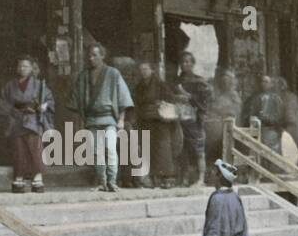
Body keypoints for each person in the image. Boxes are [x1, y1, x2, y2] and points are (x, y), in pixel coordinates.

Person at [70, 43, 133, 192]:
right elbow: (76, 99)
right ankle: (102, 182)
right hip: (92, 119)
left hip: (109, 119)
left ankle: (112, 181)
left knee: (110, 150)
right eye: (89, 55)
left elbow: (123, 97)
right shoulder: (84, 76)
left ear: (102, 56)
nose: (91, 58)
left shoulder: (113, 73)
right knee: (97, 152)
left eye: (95, 55)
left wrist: (121, 119)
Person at [0, 55, 54, 193]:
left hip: (33, 120)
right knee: (19, 151)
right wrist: (12, 111)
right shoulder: (10, 85)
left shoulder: (39, 84)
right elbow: (3, 103)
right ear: (17, 68)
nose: (22, 68)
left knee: (35, 150)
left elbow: (49, 100)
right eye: (20, 66)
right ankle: (19, 178)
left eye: (26, 66)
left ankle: (37, 178)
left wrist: (44, 106)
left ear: (31, 68)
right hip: (16, 120)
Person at [131, 60, 176, 189]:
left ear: (152, 70)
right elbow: (137, 103)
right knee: (148, 149)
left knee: (162, 150)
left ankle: (167, 178)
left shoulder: (160, 84)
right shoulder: (139, 87)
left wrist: (161, 102)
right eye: (141, 70)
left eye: (146, 69)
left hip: (159, 121)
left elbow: (171, 99)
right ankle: (152, 179)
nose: (143, 72)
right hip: (145, 121)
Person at [175, 51, 211, 186]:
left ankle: (201, 178)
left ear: (193, 64)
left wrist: (188, 95)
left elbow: (205, 101)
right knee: (182, 150)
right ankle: (184, 178)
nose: (185, 64)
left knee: (199, 149)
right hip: (180, 119)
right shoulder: (177, 81)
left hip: (195, 121)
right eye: (183, 62)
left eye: (188, 62)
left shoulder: (199, 81)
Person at [242, 73, 288, 155]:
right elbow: (251, 114)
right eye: (262, 82)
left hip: (272, 130)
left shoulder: (276, 99)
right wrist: (254, 119)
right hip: (258, 129)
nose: (264, 84)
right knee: (258, 152)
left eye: (266, 82)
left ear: (271, 84)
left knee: (271, 153)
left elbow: (280, 116)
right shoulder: (255, 98)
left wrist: (268, 119)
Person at [208, 68, 242, 162]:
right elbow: (213, 107)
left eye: (227, 81)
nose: (225, 83)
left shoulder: (234, 95)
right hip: (218, 125)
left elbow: (236, 110)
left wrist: (223, 111)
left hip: (229, 125)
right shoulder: (219, 95)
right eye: (223, 81)